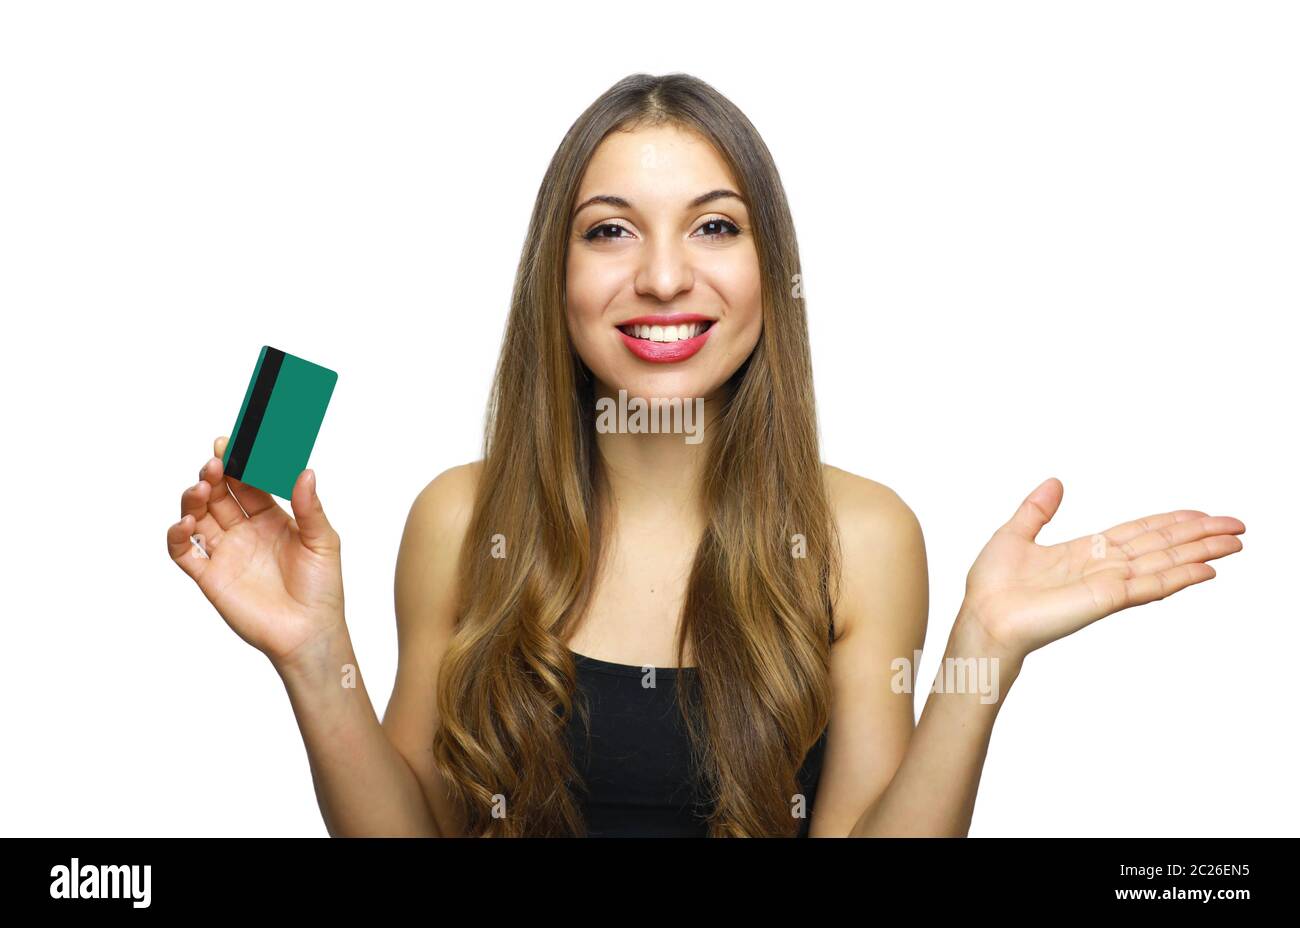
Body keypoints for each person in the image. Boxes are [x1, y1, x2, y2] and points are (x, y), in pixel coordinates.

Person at [166, 73, 1246, 837]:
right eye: (611, 230)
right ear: (559, 278)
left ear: (770, 274)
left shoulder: (862, 538)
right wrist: (314, 658)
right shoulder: (460, 517)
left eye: (715, 228)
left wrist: (982, 655)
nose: (667, 278)